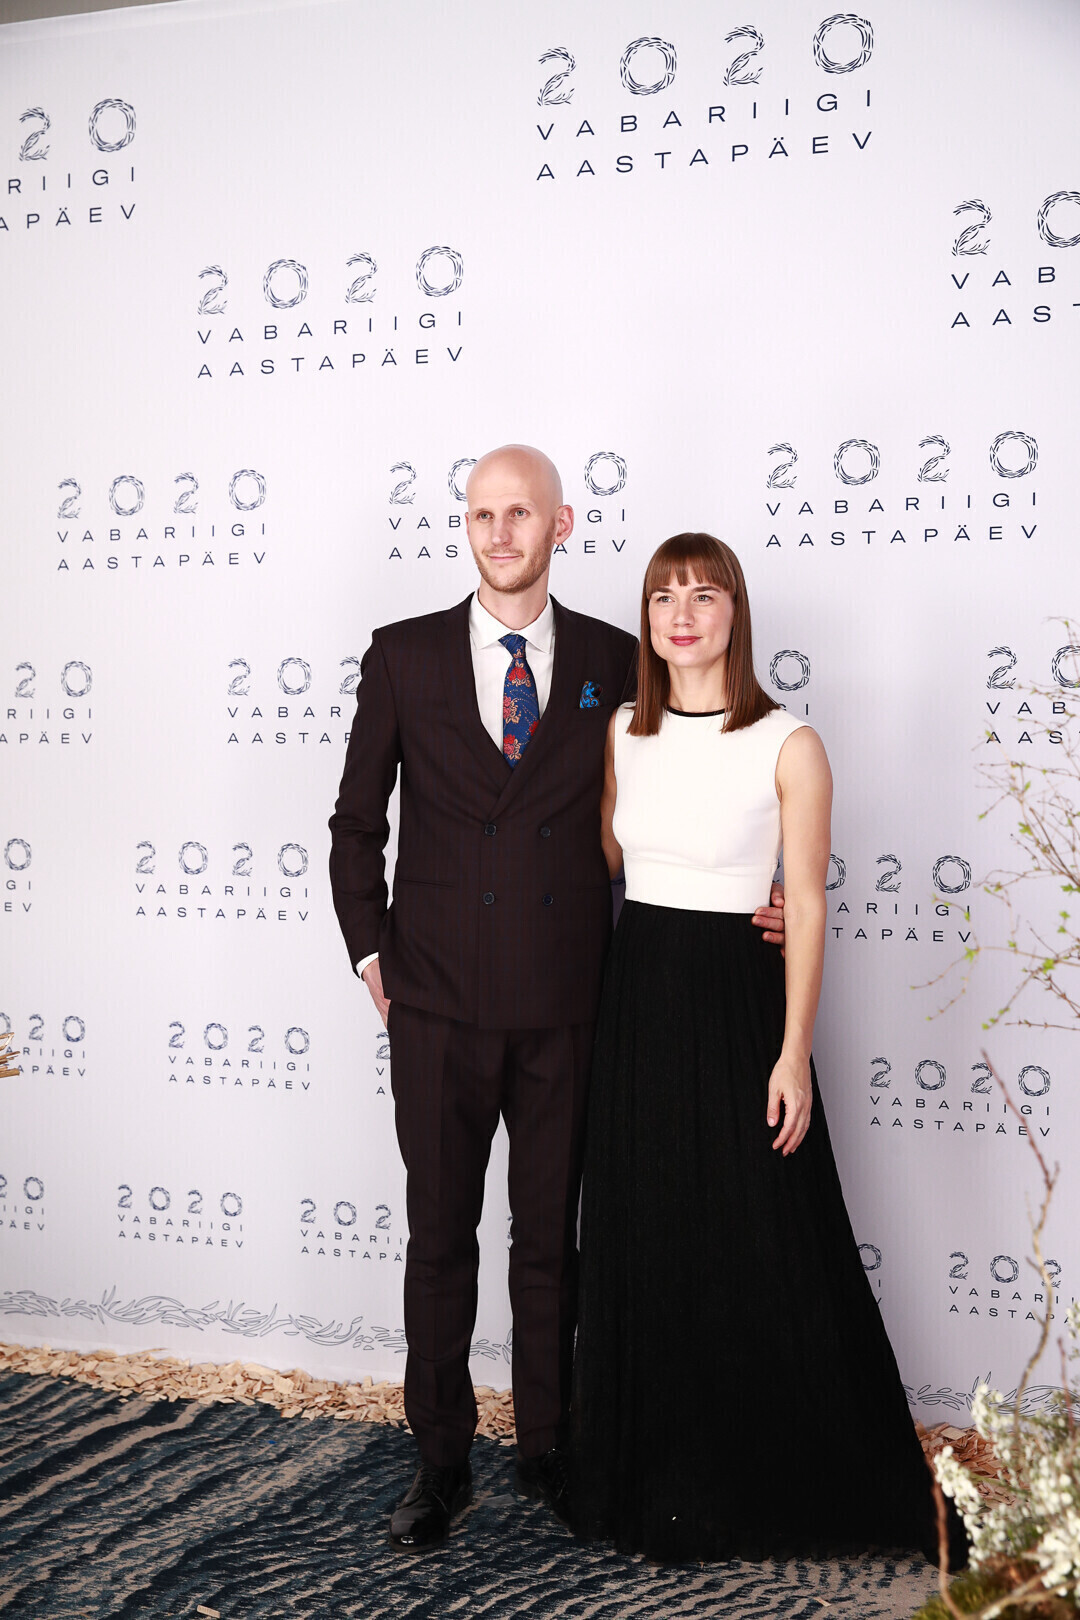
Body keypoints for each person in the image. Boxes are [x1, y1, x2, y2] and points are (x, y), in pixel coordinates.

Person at [328, 451, 787, 1552]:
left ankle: (546, 1446)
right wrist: (371, 958)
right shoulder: (401, 655)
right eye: (482, 514)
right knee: (440, 1238)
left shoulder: (615, 659)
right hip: (434, 1004)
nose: (499, 532)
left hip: (572, 1002)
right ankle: (440, 1460)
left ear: (561, 524)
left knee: (550, 1244)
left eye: (520, 513)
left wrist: (758, 895)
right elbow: (355, 825)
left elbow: (695, 781)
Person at [570, 531, 963, 1565]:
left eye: (704, 594)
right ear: (647, 618)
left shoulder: (789, 743)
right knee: (652, 1229)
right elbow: (606, 859)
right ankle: (657, 1474)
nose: (682, 614)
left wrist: (794, 1054)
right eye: (664, 597)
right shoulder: (621, 733)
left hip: (740, 1003)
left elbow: (811, 900)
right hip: (639, 1000)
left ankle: (770, 1472)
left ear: (735, 614)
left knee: (759, 1233)